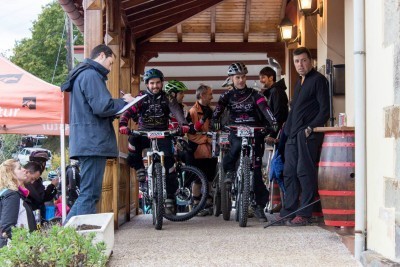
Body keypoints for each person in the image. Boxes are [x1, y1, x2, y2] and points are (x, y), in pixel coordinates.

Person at [61, 44, 135, 222]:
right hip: (93, 143)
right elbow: (102, 107)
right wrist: (124, 102)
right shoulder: (91, 75)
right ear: (102, 55)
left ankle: (70, 238)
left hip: (88, 141)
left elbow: (95, 110)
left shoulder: (83, 74)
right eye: (110, 63)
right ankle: (64, 239)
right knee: (89, 195)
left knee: (89, 194)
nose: (109, 69)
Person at [119, 69, 192, 215]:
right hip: (144, 132)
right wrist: (123, 123)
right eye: (152, 83)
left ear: (162, 83)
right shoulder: (141, 97)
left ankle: (170, 198)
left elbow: (177, 111)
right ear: (147, 84)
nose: (155, 86)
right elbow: (129, 110)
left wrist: (183, 124)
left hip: (163, 134)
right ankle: (140, 168)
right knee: (132, 141)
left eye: (158, 82)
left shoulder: (168, 98)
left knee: (170, 166)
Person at [212, 62, 278, 222]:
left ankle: (258, 206)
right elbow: (218, 111)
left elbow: (265, 109)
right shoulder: (226, 96)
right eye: (237, 77)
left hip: (254, 132)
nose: (240, 80)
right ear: (231, 79)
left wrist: (273, 122)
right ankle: (229, 172)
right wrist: (216, 121)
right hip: (235, 131)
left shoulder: (255, 95)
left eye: (243, 77)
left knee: (256, 172)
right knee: (233, 149)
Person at [275, 47, 329, 226]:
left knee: (304, 172)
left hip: (306, 135)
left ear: (311, 61)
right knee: (289, 173)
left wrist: (311, 128)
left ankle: (305, 214)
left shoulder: (319, 80)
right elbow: (294, 110)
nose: (300, 65)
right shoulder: (299, 83)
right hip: (292, 135)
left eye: (304, 60)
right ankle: (289, 211)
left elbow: (325, 111)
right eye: (297, 61)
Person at [186, 84, 217, 216]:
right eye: (210, 94)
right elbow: (190, 134)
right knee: (197, 179)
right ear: (202, 95)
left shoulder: (211, 110)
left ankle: (209, 203)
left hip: (210, 151)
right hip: (197, 150)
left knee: (209, 178)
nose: (212, 97)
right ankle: (196, 205)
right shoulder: (193, 112)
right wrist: (206, 139)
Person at [0, 159, 36, 248]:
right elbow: (8, 227)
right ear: (11, 174)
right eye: (19, 168)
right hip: (15, 250)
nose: (25, 170)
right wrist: (24, 245)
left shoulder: (11, 194)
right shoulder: (12, 195)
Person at [25, 152, 58, 220]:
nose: (43, 165)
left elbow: (42, 197)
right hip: (33, 212)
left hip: (37, 211)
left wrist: (52, 187)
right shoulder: (29, 180)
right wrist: (51, 186)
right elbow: (41, 198)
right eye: (43, 163)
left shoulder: (35, 179)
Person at [259, 66, 289, 132]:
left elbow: (278, 114)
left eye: (263, 77)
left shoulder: (276, 91)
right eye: (260, 78)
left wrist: (273, 134)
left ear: (271, 78)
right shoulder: (272, 91)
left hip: (278, 133)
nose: (261, 80)